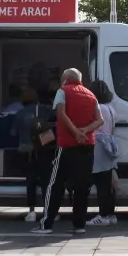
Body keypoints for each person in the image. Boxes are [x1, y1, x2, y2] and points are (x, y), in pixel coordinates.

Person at [32, 68, 102, 234]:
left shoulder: (62, 91)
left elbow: (61, 114)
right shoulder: (91, 95)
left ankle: (46, 224)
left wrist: (75, 132)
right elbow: (100, 120)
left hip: (67, 145)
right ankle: (79, 225)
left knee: (54, 184)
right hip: (87, 145)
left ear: (66, 79)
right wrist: (84, 130)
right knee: (81, 186)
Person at [12, 85, 55, 222]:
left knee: (30, 182)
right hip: (43, 149)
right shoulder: (45, 109)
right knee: (45, 181)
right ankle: (48, 211)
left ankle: (31, 212)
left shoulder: (19, 113)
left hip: (26, 151)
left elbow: (13, 133)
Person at [87, 80, 119, 227]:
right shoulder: (111, 109)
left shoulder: (98, 108)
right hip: (109, 145)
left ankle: (103, 215)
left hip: (98, 145)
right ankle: (110, 214)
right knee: (108, 183)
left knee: (100, 183)